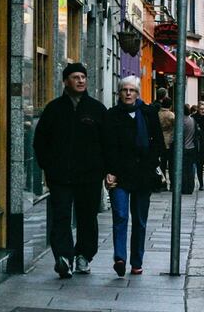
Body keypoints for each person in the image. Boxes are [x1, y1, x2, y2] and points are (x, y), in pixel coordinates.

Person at [33, 62, 108, 278]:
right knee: (61, 216)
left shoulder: (96, 109)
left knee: (87, 217)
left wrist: (105, 170)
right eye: (75, 77)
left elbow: (107, 143)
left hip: (89, 176)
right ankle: (63, 257)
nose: (81, 81)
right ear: (65, 81)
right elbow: (40, 142)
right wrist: (48, 167)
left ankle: (84, 255)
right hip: (61, 177)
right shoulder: (54, 109)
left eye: (83, 77)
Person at [103, 76, 164, 277]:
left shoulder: (148, 113)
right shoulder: (112, 115)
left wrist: (153, 164)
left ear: (138, 93)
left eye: (132, 90)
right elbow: (106, 147)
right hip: (119, 175)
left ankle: (136, 262)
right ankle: (119, 258)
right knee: (120, 216)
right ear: (119, 93)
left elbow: (158, 145)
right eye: (124, 90)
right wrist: (108, 172)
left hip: (142, 176)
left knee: (139, 220)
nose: (128, 93)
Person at [157, 99, 176, 191]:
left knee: (162, 165)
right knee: (172, 165)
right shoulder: (171, 115)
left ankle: (162, 184)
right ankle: (172, 185)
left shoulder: (158, 114)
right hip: (170, 142)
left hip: (160, 142)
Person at [180, 104, 198, 194]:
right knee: (190, 169)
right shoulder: (192, 120)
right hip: (192, 147)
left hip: (184, 148)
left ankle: (184, 187)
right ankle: (190, 187)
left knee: (183, 170)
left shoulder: (181, 121)